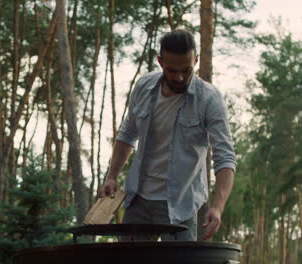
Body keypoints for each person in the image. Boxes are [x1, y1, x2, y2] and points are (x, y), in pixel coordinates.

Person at [98, 29, 236, 241]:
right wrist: (112, 176)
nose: (180, 77)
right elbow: (127, 134)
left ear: (196, 60)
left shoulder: (209, 99)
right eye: (172, 71)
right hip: (138, 200)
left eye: (186, 70)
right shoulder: (144, 86)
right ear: (161, 62)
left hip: (181, 205)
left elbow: (225, 157)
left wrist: (218, 207)